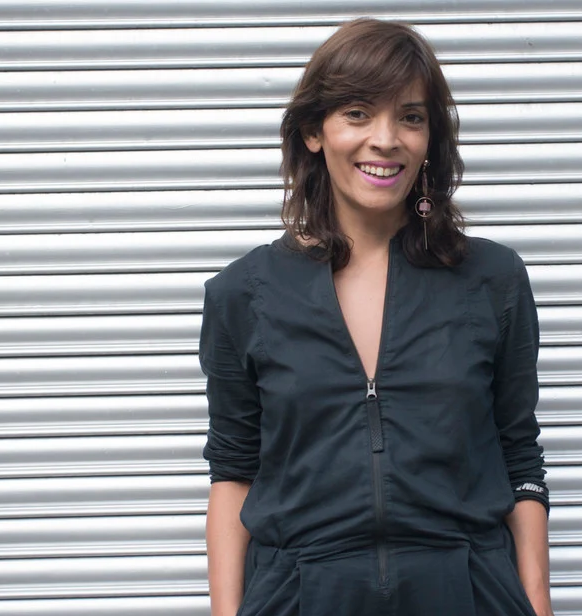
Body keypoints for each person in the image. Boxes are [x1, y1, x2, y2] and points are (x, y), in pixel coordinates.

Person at [199, 18, 552, 616]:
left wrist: (536, 602)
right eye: (358, 113)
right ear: (314, 131)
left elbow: (519, 454)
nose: (385, 139)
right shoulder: (242, 293)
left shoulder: (492, 280)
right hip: (303, 594)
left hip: (466, 592)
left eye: (410, 117)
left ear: (430, 138)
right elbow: (234, 474)